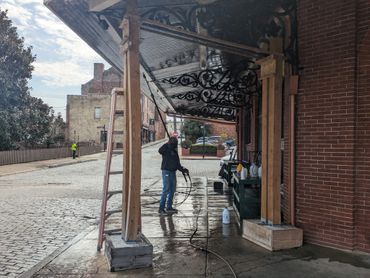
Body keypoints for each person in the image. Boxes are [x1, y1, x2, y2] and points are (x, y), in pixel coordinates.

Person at [158, 137, 189, 214]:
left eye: (175, 143)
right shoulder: (165, 148)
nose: (175, 145)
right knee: (166, 189)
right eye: (173, 143)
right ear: (170, 143)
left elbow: (177, 163)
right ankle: (161, 209)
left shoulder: (174, 151)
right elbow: (160, 150)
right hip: (166, 171)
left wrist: (183, 169)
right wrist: (167, 144)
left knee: (172, 190)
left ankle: (169, 207)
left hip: (172, 172)